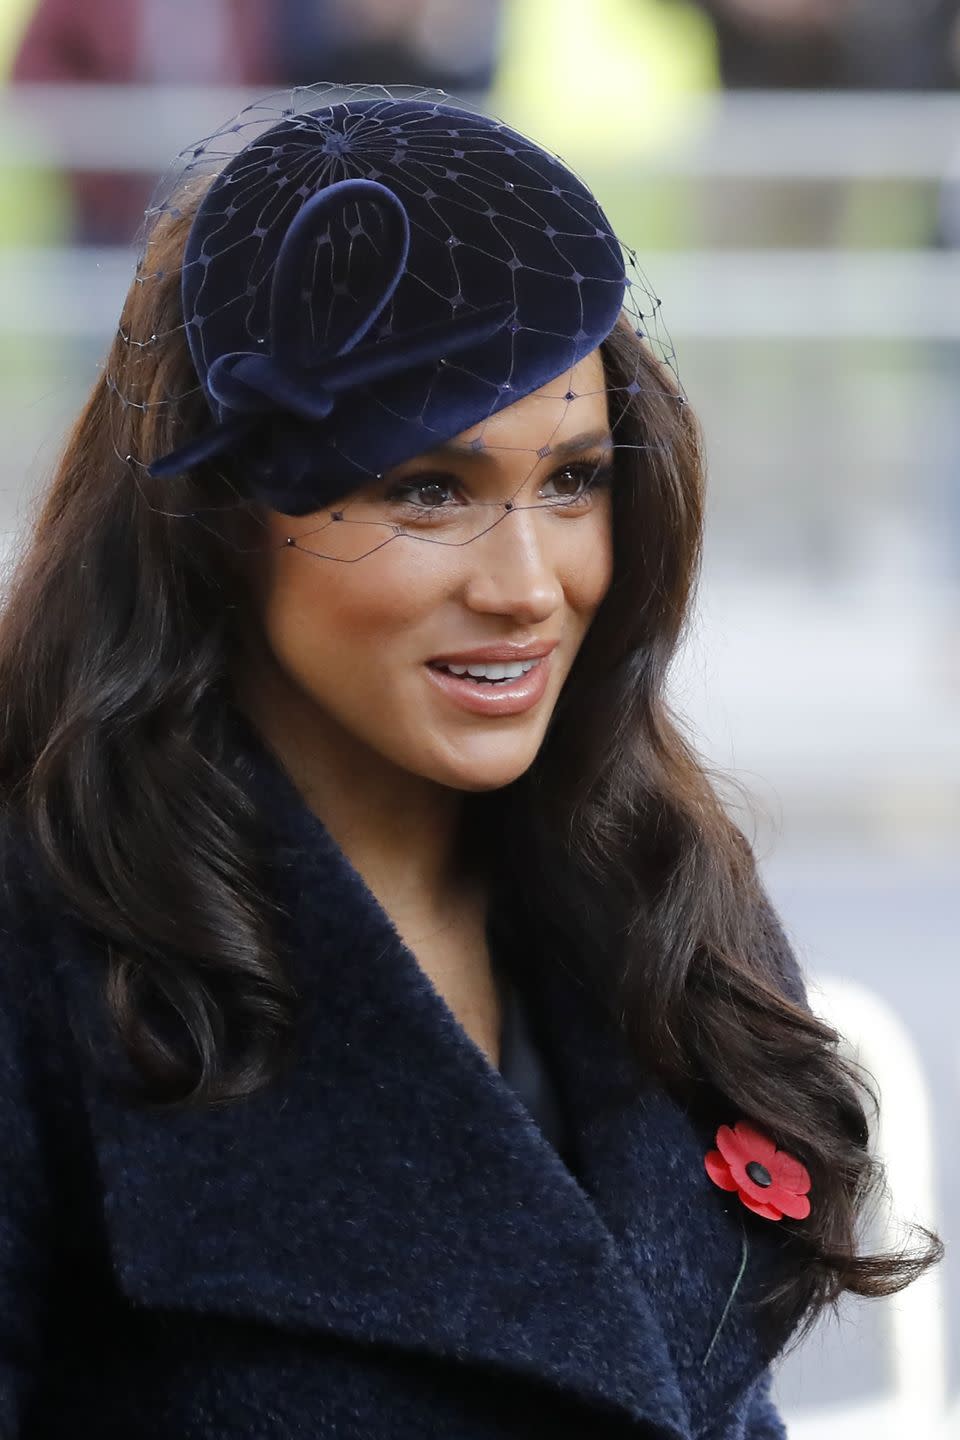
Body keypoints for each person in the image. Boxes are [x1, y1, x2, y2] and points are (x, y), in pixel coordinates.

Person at [0, 84, 941, 1438]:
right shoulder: (50, 941)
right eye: (426, 489)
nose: (528, 584)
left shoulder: (651, 881)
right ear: (221, 518)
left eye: (571, 480)